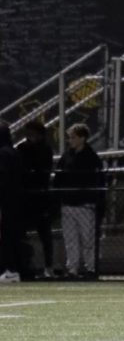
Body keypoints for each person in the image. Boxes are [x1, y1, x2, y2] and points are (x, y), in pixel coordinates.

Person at [53, 123, 104, 279]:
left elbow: (98, 180)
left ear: (82, 138)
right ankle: (72, 269)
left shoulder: (91, 157)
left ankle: (90, 268)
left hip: (85, 204)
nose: (70, 141)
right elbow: (59, 176)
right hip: (68, 203)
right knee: (71, 239)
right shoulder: (67, 156)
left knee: (88, 239)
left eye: (73, 137)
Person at [18, 119, 54, 278]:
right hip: (26, 198)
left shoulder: (45, 149)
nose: (30, 137)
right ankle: (25, 265)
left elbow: (42, 171)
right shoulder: (22, 148)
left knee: (45, 235)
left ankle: (48, 266)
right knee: (21, 235)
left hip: (40, 198)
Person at [0, 120, 25, 283]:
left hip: (4, 201)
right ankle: (12, 269)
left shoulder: (3, 153)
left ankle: (8, 269)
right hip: (15, 201)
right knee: (10, 236)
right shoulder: (13, 152)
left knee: (4, 236)